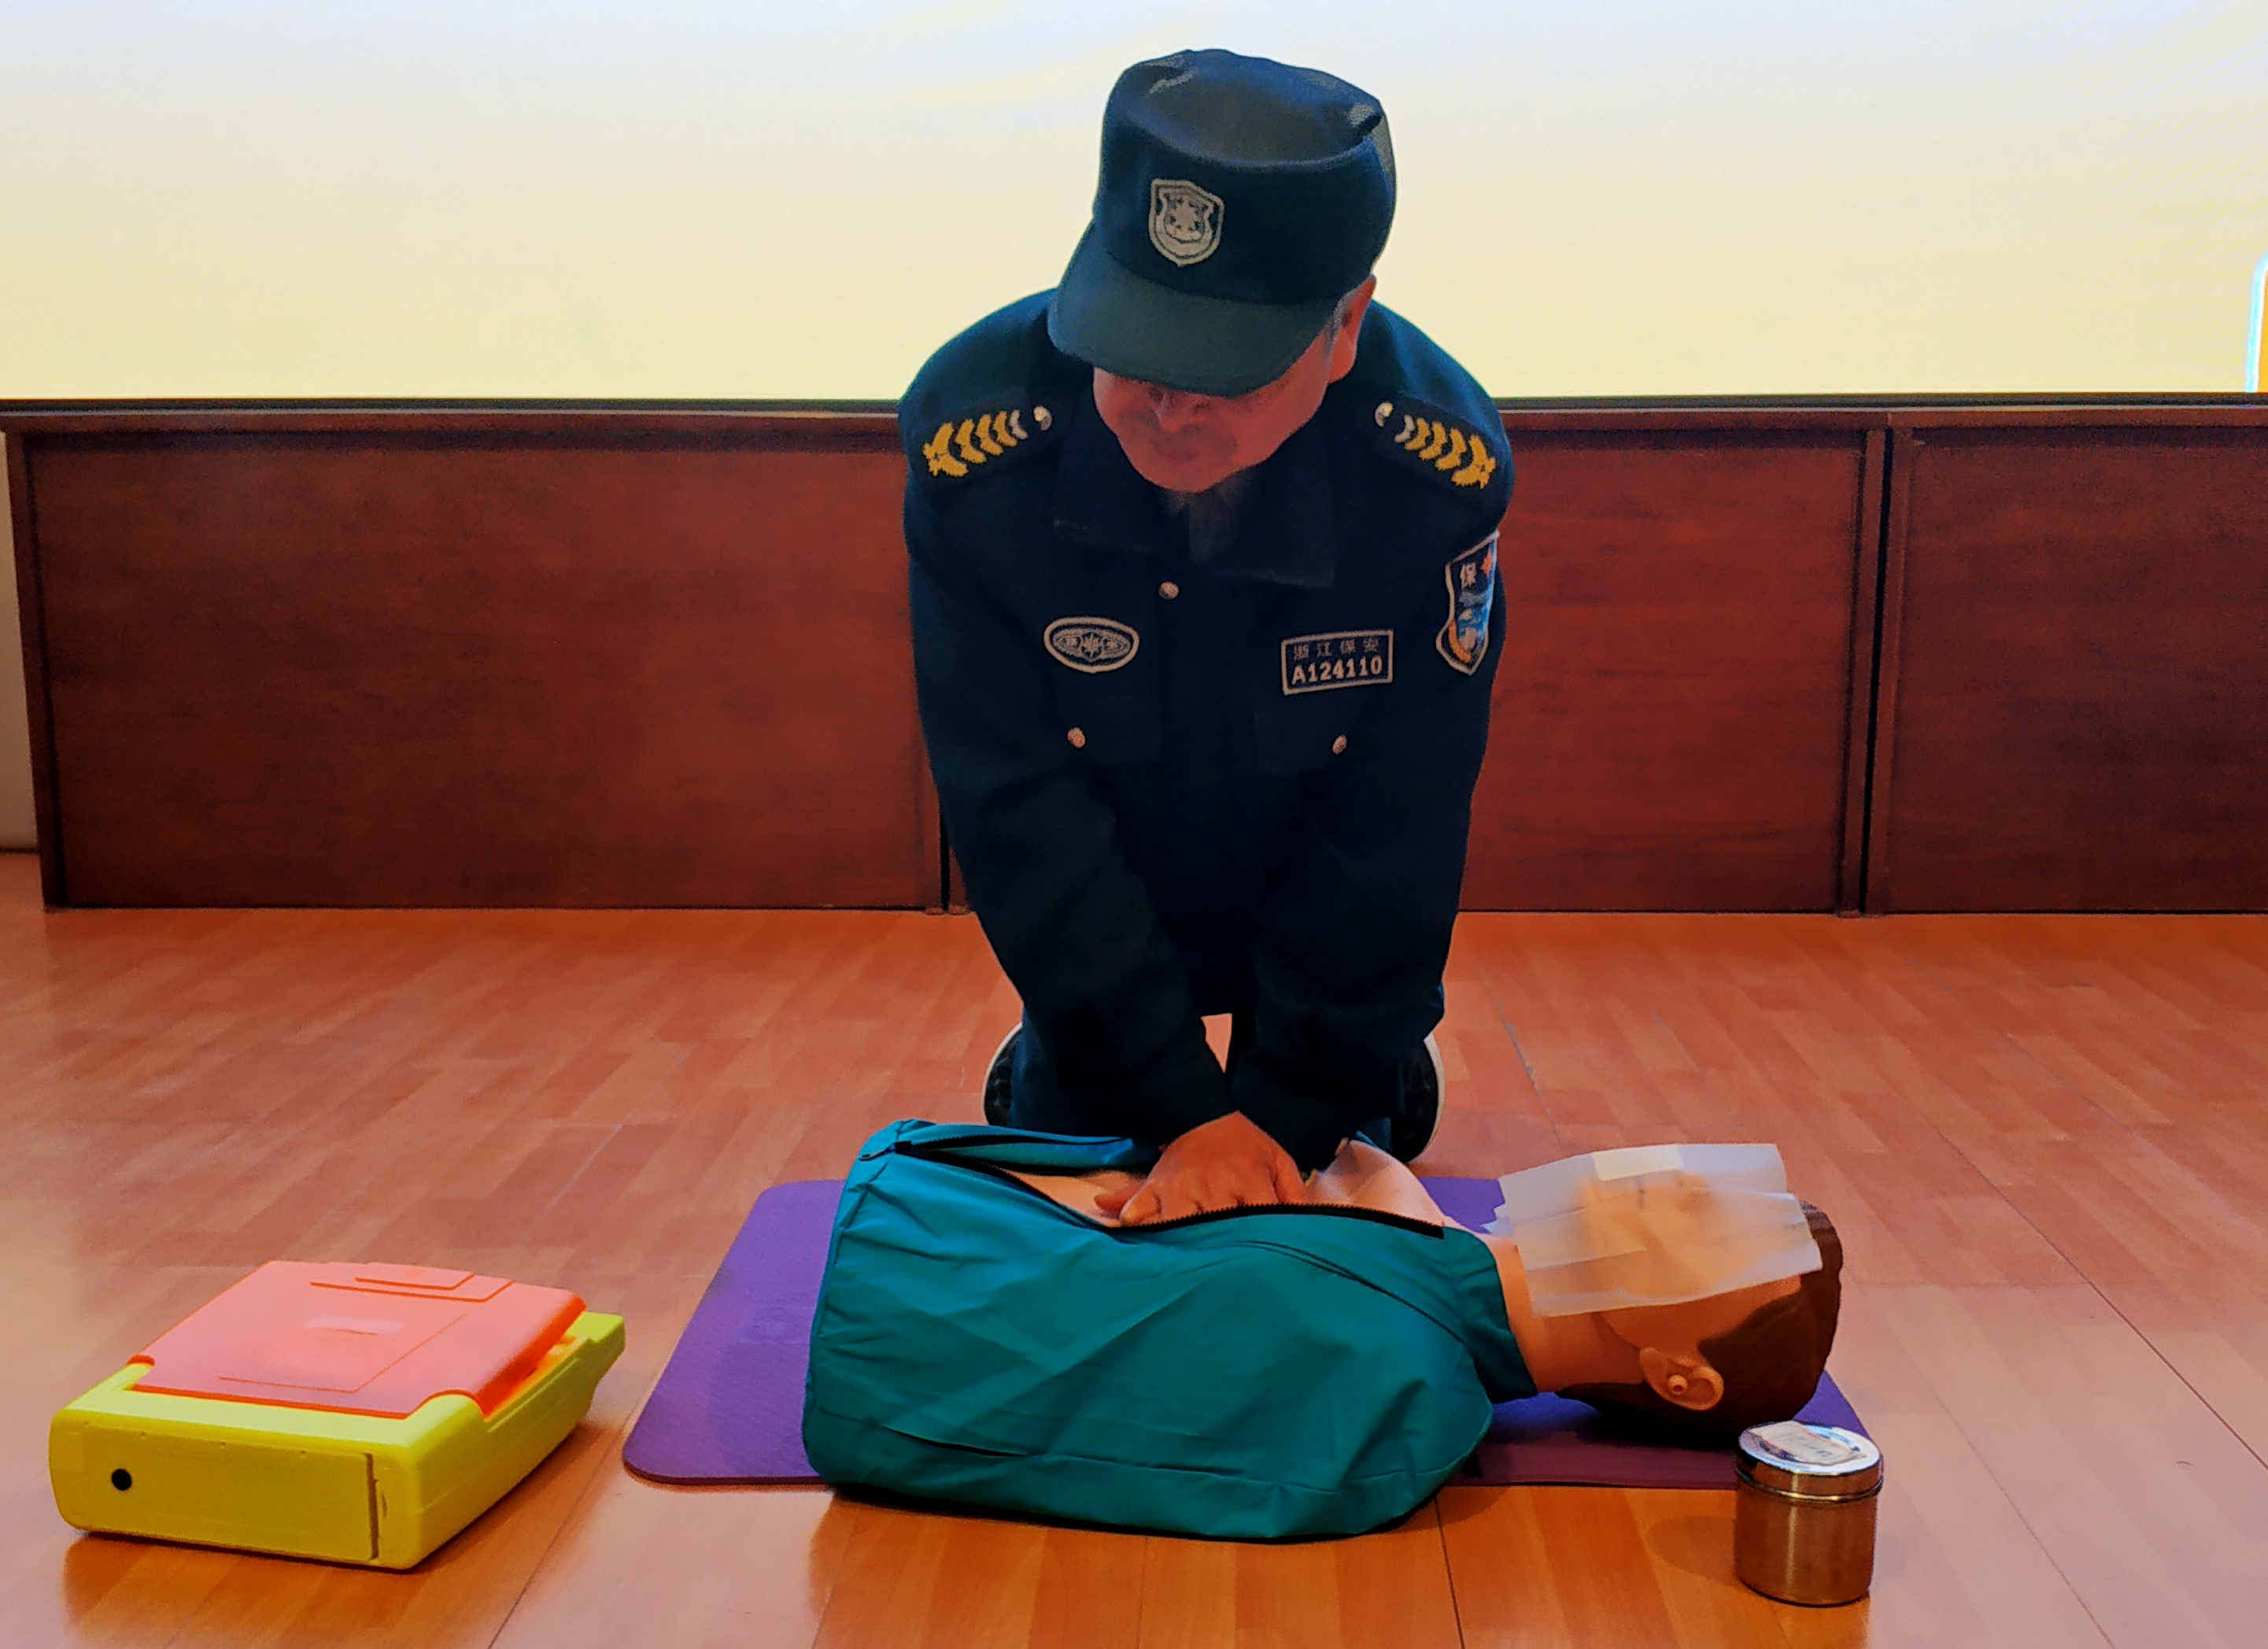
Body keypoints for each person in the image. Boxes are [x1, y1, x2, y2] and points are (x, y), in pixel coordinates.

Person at [902, 48, 1515, 1224]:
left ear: (1345, 327)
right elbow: (1014, 801)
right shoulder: (978, 450)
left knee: (1334, 1161)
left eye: (1225, 372)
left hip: (1301, 860)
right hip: (1113, 849)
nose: (1170, 405)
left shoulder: (1429, 476)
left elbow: (1399, 821)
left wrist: (1282, 1118)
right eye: (1135, 347)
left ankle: (1356, 1066)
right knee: (1087, 1148)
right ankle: (1077, 1050)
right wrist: (1177, 1107)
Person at [803, 1121, 1845, 1540]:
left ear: (1679, 1376)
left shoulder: (1403, 1389)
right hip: (921, 1211)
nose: (1676, 1183)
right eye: (1713, 1190)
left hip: (895, 1291)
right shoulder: (1424, 1253)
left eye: (1714, 1236)